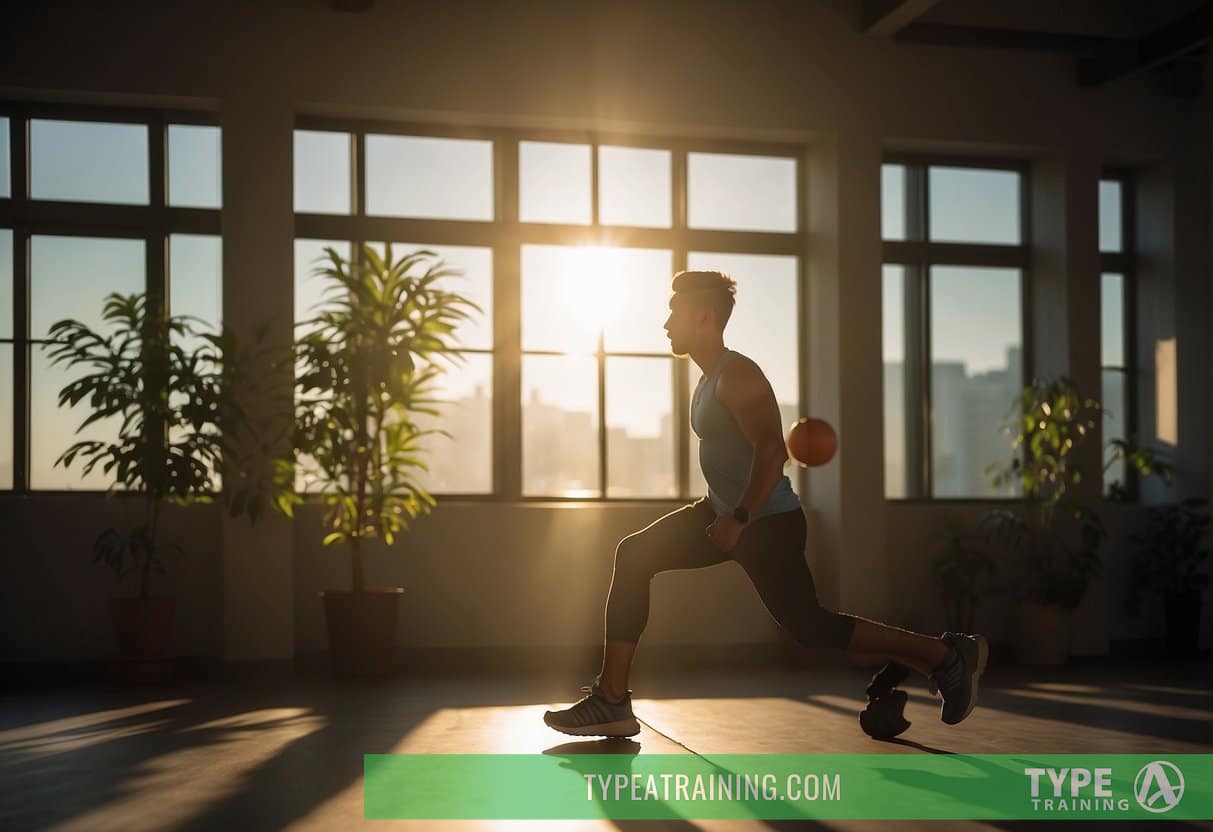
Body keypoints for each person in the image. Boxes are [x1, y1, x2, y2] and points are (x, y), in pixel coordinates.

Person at [543, 270, 988, 738]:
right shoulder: (708, 378)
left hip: (764, 523)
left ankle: (946, 655)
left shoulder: (737, 373)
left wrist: (738, 518)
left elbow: (772, 452)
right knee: (634, 554)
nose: (666, 323)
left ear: (705, 315)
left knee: (809, 627)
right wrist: (725, 513)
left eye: (674, 312)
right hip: (725, 515)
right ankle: (611, 700)